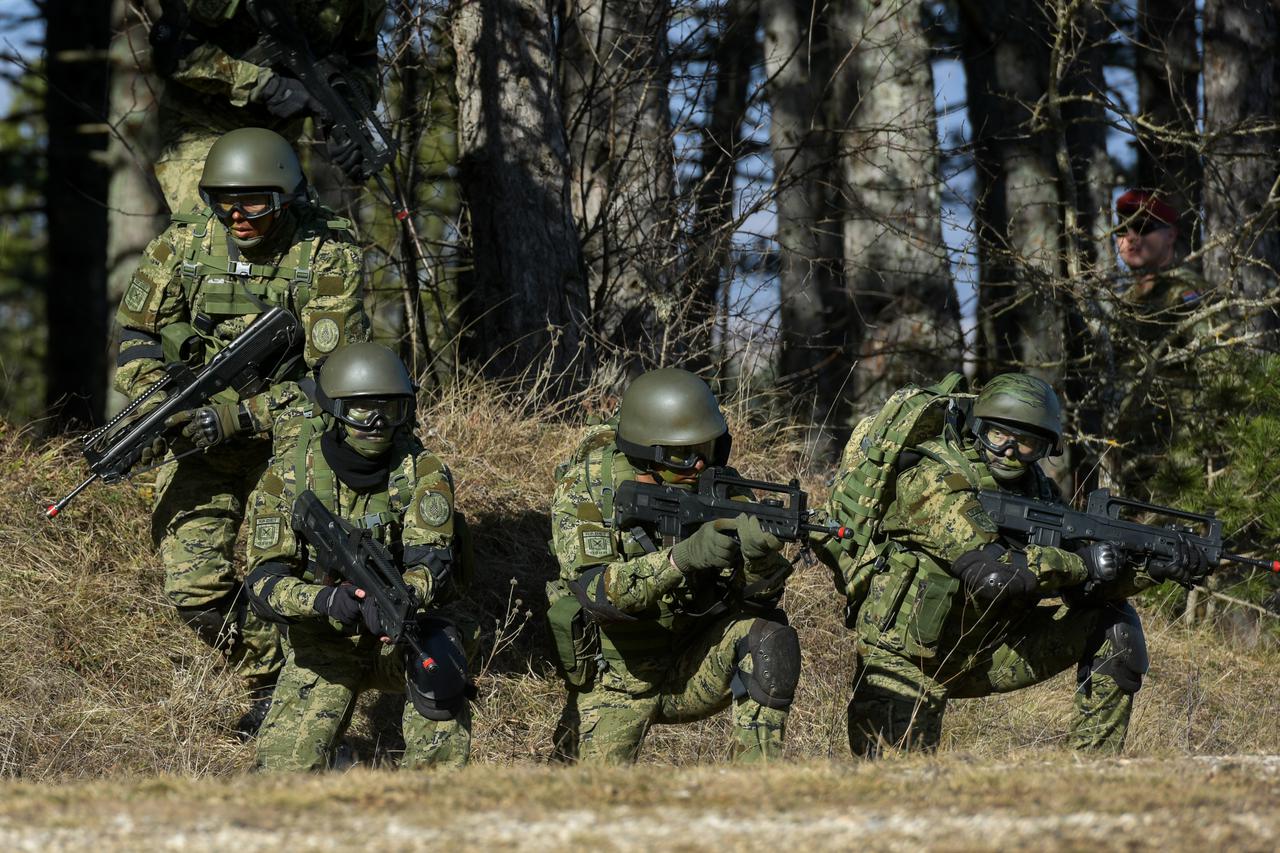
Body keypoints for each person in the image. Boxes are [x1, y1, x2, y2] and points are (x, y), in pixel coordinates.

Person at [113, 126, 370, 737]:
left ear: (284, 195)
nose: (238, 215)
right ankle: (268, 670)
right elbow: (135, 339)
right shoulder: (183, 244)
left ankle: (300, 694)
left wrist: (243, 415)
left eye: (254, 201)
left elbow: (338, 382)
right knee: (193, 587)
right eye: (223, 200)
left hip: (292, 440)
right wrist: (167, 399)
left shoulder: (326, 253)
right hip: (202, 437)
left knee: (284, 572)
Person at [840, 373, 1208, 756]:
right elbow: (996, 575)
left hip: (987, 652)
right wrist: (1082, 564)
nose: (1009, 452)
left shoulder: (1037, 491)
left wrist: (1153, 569)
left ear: (1044, 448)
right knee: (900, 794)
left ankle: (1095, 771)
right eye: (998, 435)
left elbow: (1083, 588)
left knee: (1115, 625)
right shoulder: (934, 477)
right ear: (978, 426)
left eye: (1026, 443)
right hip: (904, 661)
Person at [547, 368, 800, 764]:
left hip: (692, 664)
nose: (700, 466)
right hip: (615, 681)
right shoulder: (590, 486)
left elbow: (762, 604)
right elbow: (598, 594)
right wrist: (682, 558)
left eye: (709, 449)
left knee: (770, 641)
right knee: (580, 812)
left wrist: (760, 560)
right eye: (685, 455)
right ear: (649, 451)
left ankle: (756, 790)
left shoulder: (722, 489)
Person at [244, 343, 473, 771]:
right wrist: (327, 601)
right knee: (282, 777)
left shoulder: (422, 471)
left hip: (404, 636)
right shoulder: (288, 476)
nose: (377, 422)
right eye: (362, 410)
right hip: (324, 641)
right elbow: (262, 583)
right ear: (334, 410)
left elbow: (433, 563)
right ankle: (338, 765)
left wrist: (403, 595)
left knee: (441, 670)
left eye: (390, 409)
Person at [148, 0, 387, 212]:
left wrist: (341, 114)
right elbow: (173, 51)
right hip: (202, 129)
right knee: (220, 238)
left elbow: (362, 59)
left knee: (295, 245)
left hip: (276, 145)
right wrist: (267, 86)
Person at [1104, 189, 1214, 491]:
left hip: (1179, 460)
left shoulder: (1186, 294)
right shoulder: (1123, 301)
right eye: (1121, 230)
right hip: (1128, 459)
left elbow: (1219, 372)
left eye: (1144, 228)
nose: (1131, 238)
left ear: (1170, 235)